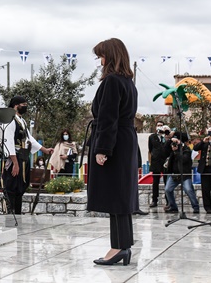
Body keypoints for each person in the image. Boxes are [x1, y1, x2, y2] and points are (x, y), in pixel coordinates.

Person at [87, 38, 138, 267]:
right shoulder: (129, 83)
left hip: (114, 143)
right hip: (125, 141)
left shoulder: (112, 82)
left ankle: (118, 247)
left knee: (116, 198)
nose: (100, 61)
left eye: (102, 56)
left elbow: (108, 117)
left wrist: (103, 149)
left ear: (110, 56)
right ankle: (122, 246)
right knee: (121, 197)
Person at [0, 96, 53, 215]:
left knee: (21, 186)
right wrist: (15, 163)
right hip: (15, 157)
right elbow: (8, 141)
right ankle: (10, 213)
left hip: (23, 156)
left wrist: (45, 150)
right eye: (23, 104)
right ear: (16, 105)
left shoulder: (22, 121)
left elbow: (30, 139)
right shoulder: (10, 120)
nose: (25, 106)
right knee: (12, 186)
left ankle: (17, 214)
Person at [164, 135, 201, 215]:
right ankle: (173, 207)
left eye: (177, 142)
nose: (175, 144)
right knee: (168, 189)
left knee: (188, 190)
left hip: (184, 175)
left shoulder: (186, 150)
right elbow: (164, 149)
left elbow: (184, 159)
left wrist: (177, 150)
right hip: (174, 174)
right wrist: (170, 141)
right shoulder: (172, 149)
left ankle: (195, 207)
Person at [147, 121, 169, 208]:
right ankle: (154, 200)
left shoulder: (166, 137)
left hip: (165, 162)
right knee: (155, 182)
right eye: (158, 125)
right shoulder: (152, 137)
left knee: (166, 181)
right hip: (156, 162)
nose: (159, 127)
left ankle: (168, 200)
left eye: (161, 125)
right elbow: (150, 149)